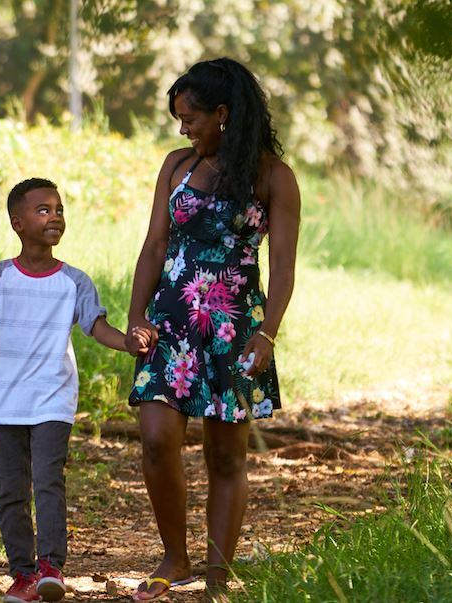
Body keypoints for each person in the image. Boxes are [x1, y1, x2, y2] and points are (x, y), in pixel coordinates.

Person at [124, 58, 301, 602]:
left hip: (234, 328)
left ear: (222, 114)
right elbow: (155, 245)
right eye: (178, 118)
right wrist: (136, 317)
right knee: (156, 440)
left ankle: (217, 578)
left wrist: (267, 334)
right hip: (171, 322)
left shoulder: (273, 176)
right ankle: (174, 557)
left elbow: (283, 269)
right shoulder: (176, 167)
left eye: (190, 118)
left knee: (227, 457)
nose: (183, 129)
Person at [0, 178, 154, 602]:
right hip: (5, 401)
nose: (55, 217)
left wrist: (128, 342)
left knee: (47, 481)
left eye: (59, 209)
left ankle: (51, 567)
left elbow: (94, 326)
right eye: (43, 210)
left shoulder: (75, 281)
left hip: (52, 397)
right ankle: (21, 573)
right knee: (10, 489)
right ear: (18, 222)